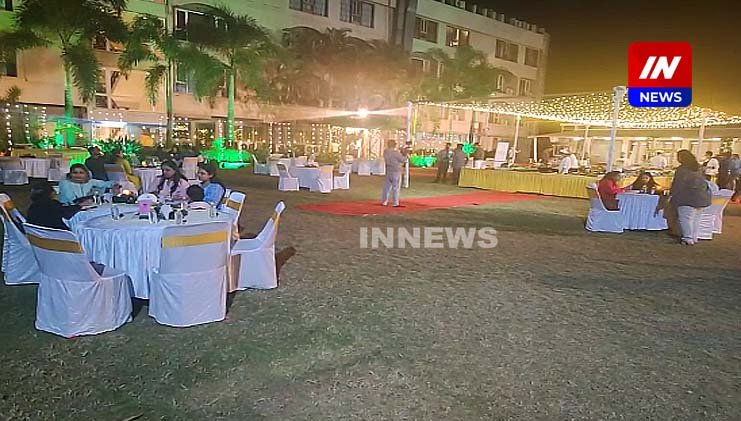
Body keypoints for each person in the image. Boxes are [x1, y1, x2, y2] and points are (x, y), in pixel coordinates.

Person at [670, 149, 712, 245]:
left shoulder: (682, 170)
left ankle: (687, 238)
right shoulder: (698, 168)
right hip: (702, 196)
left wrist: (671, 195)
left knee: (686, 218)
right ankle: (694, 237)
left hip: (687, 197)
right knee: (696, 218)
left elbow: (678, 184)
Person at [380, 139, 408, 207]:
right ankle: (395, 202)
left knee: (386, 187)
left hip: (388, 170)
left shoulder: (385, 152)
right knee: (396, 187)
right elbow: (403, 160)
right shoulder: (395, 153)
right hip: (396, 171)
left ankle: (384, 201)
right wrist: (405, 154)